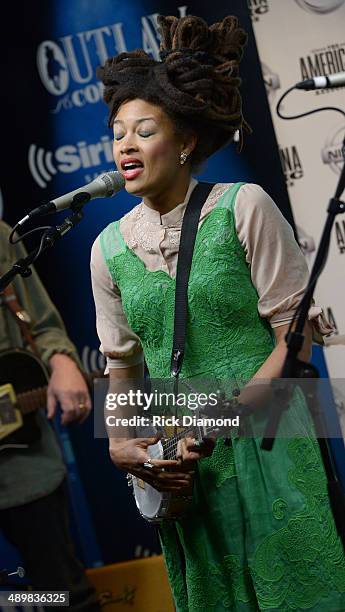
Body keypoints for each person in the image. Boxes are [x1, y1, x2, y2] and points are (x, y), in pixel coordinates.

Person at [91, 14, 345, 611]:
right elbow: (123, 373)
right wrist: (124, 447)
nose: (124, 144)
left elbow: (295, 343)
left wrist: (220, 419)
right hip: (185, 467)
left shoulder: (242, 207)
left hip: (268, 443)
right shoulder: (106, 251)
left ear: (184, 141)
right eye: (116, 132)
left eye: (143, 130)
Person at [0, 220, 100, 611]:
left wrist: (62, 360)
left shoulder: (1, 237)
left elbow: (41, 325)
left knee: (59, 594)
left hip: (23, 465)